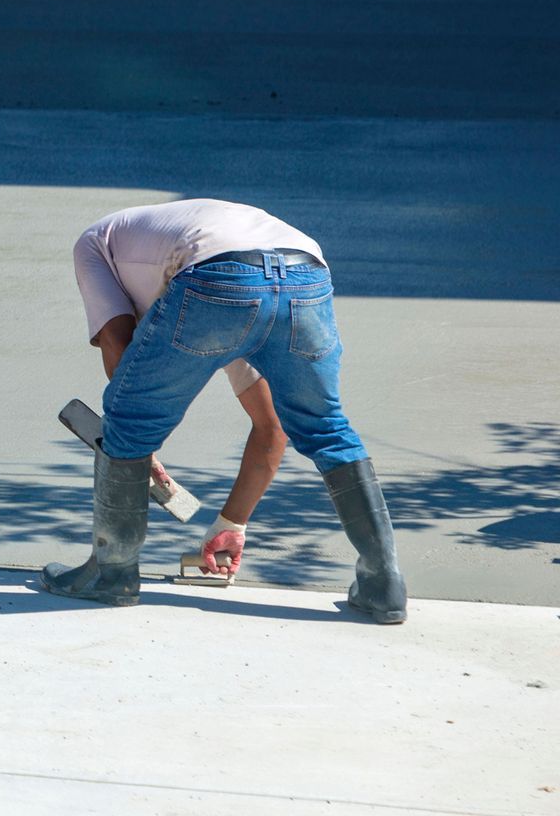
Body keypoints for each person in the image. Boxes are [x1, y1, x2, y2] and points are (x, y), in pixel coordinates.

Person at [44, 198, 406, 623]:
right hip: (304, 275)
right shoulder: (220, 301)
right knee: (325, 427)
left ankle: (112, 574)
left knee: (128, 421)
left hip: (216, 277)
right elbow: (272, 429)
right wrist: (231, 524)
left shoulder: (95, 244)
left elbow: (118, 346)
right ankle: (384, 583)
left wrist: (135, 449)